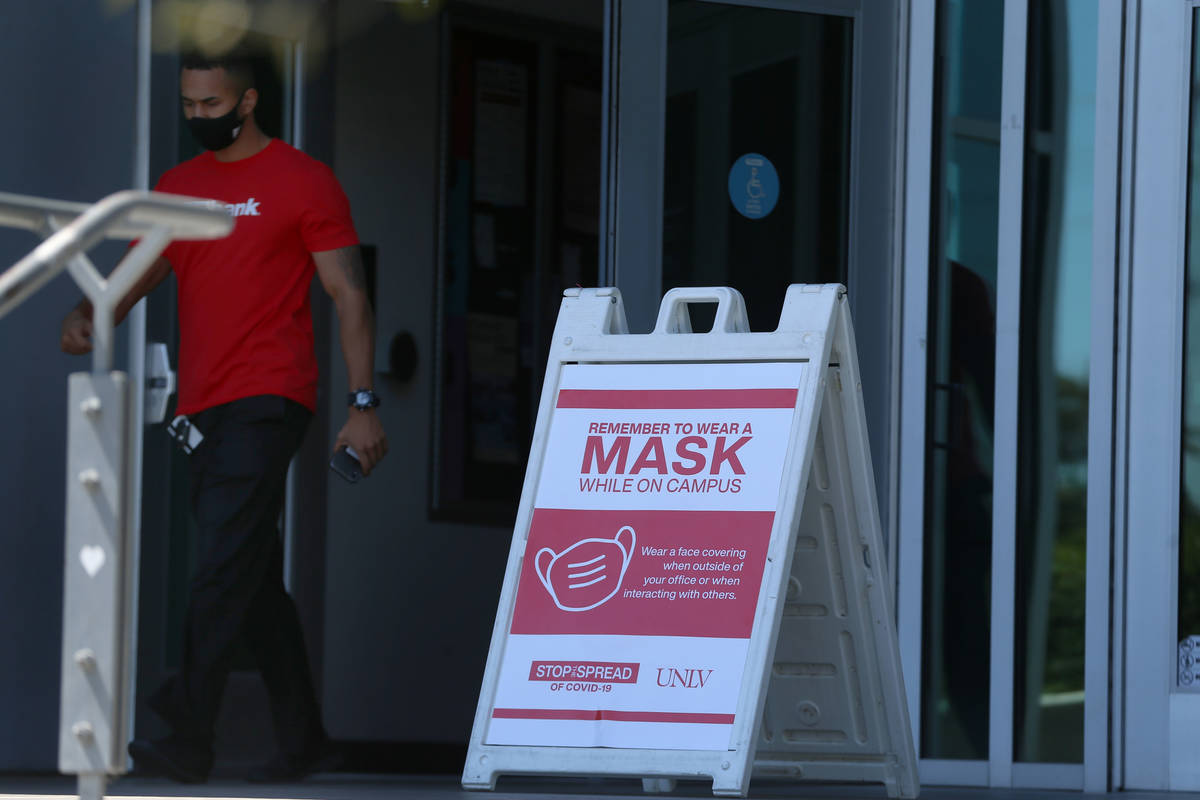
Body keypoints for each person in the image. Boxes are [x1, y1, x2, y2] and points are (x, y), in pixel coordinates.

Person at [59, 50, 387, 783]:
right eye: (188, 105)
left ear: (247, 102)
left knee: (216, 567)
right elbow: (138, 272)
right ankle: (305, 742)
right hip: (203, 407)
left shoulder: (303, 180)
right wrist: (90, 308)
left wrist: (363, 405)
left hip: (270, 400)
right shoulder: (179, 189)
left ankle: (186, 733)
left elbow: (350, 295)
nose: (197, 118)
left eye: (211, 106)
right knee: (250, 578)